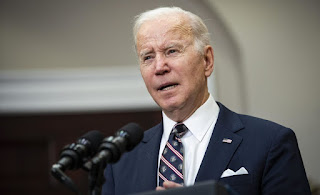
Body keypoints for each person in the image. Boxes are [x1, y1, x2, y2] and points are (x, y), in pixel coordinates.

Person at [102, 7, 311, 195]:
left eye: (172, 51)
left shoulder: (270, 142)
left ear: (207, 60)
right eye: (148, 57)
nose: (159, 67)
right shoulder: (120, 161)